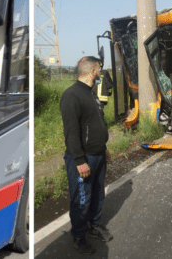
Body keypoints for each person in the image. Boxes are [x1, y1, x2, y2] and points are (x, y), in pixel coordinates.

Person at [60, 56, 113, 254]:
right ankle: (79, 236)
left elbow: (96, 123)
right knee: (82, 199)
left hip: (98, 154)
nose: (101, 72)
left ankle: (94, 225)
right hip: (83, 159)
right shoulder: (72, 96)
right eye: (99, 68)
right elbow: (71, 133)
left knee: (98, 193)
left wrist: (104, 148)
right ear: (92, 71)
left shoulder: (91, 94)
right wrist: (80, 161)